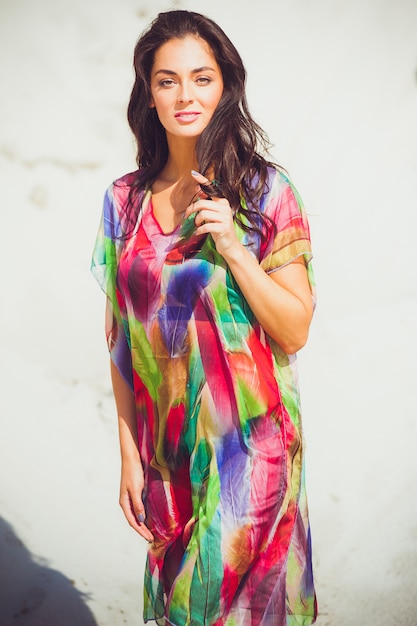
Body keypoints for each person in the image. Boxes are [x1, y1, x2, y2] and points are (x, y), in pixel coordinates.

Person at [91, 9, 317, 626]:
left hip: (251, 448)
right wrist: (129, 457)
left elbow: (295, 328)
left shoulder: (266, 192)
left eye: (202, 77)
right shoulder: (124, 201)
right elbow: (118, 341)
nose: (186, 95)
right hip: (166, 453)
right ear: (149, 93)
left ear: (225, 86)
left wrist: (238, 252)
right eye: (168, 81)